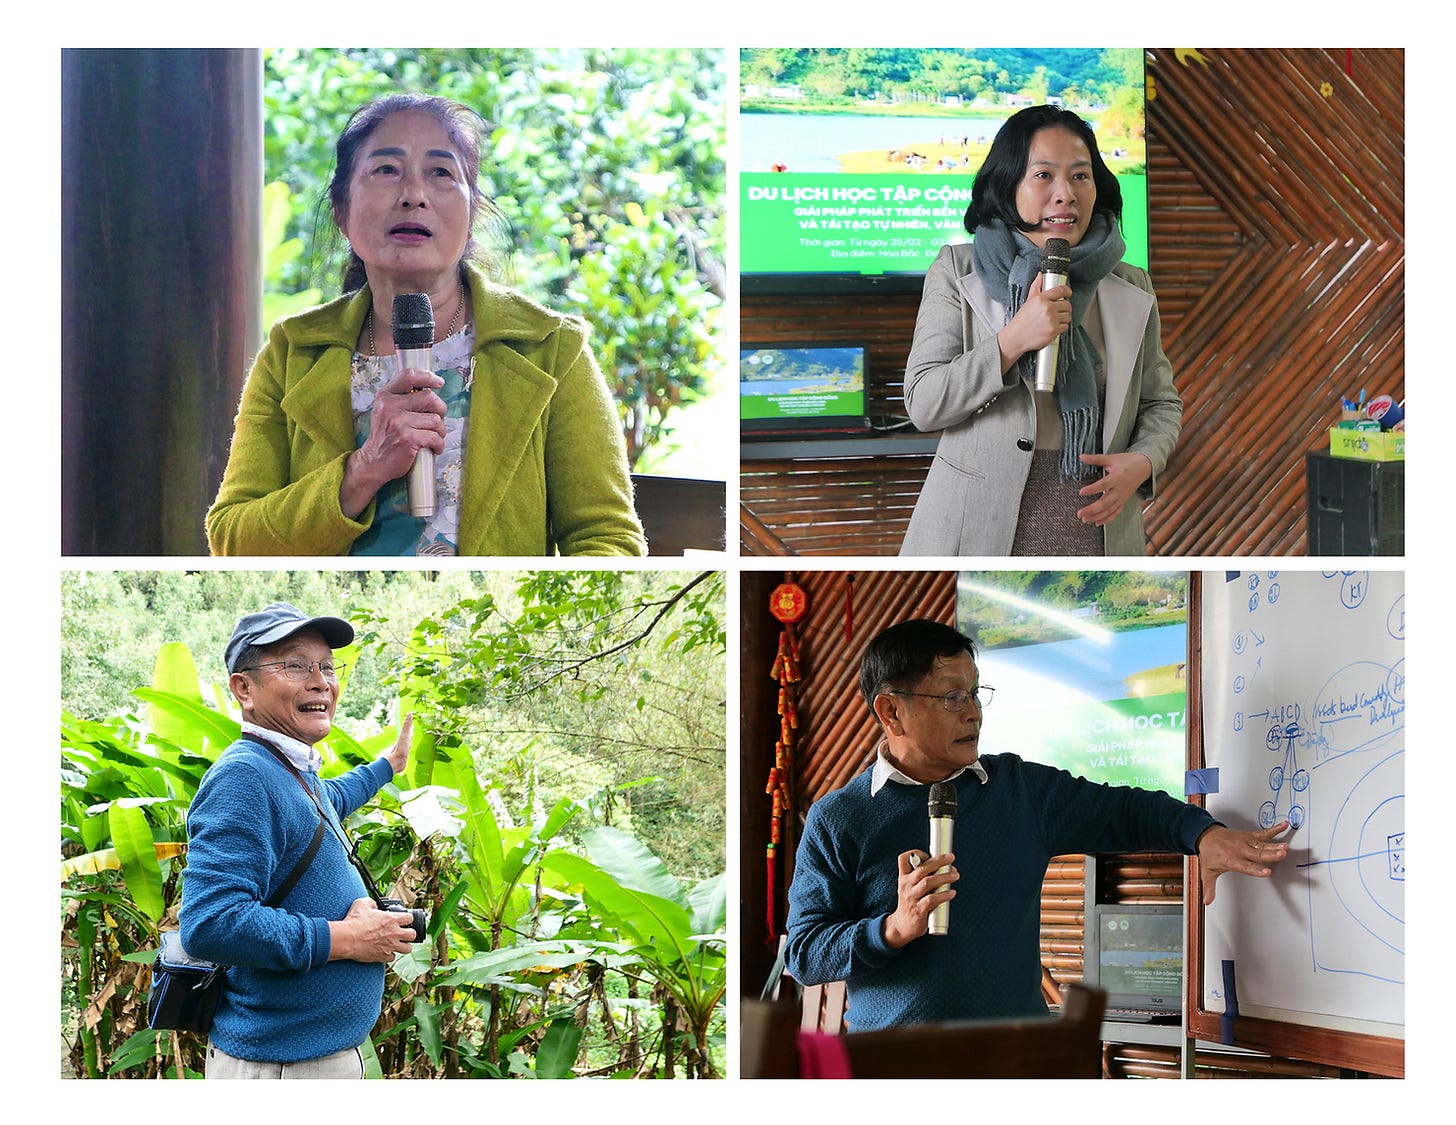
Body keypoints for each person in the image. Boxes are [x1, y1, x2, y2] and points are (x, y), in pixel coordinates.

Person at [783, 619, 1289, 1031]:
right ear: (891, 711)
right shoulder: (839, 818)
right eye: (952, 697)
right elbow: (804, 954)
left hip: (1016, 1068)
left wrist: (1203, 835)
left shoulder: (1020, 788)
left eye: (977, 694)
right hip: (898, 1078)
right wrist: (892, 929)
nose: (974, 713)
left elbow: (1126, 810)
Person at [206, 93, 646, 557]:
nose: (413, 195)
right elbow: (233, 539)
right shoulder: (292, 352)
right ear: (341, 212)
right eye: (386, 170)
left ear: (472, 211)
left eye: (440, 172)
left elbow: (607, 539)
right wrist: (362, 470)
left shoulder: (551, 348)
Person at [898, 105, 1181, 556]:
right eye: (1044, 175)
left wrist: (1144, 461)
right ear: (1008, 185)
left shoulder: (1130, 284)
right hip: (977, 529)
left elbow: (1159, 403)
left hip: (1098, 531)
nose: (1065, 194)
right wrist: (1012, 341)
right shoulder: (956, 270)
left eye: (1080, 176)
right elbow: (925, 404)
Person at [179, 602, 418, 1078]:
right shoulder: (244, 777)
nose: (321, 682)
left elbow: (331, 797)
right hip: (281, 1068)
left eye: (328, 667)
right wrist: (347, 938)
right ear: (244, 688)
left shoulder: (289, 770)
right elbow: (211, 924)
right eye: (294, 665)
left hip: (309, 1060)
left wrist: (388, 766)